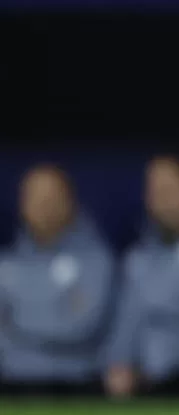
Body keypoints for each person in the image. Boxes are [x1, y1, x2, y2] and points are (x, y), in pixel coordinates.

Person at [102, 155, 179, 396]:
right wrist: (118, 364)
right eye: (154, 191)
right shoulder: (139, 258)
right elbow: (126, 325)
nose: (161, 200)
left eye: (169, 190)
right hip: (148, 386)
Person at [0, 164, 112, 392]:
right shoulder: (6, 263)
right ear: (22, 204)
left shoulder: (95, 259)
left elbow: (82, 326)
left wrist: (14, 324)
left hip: (77, 385)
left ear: (70, 202)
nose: (44, 207)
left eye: (51, 198)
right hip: (10, 384)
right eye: (35, 198)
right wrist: (55, 311)